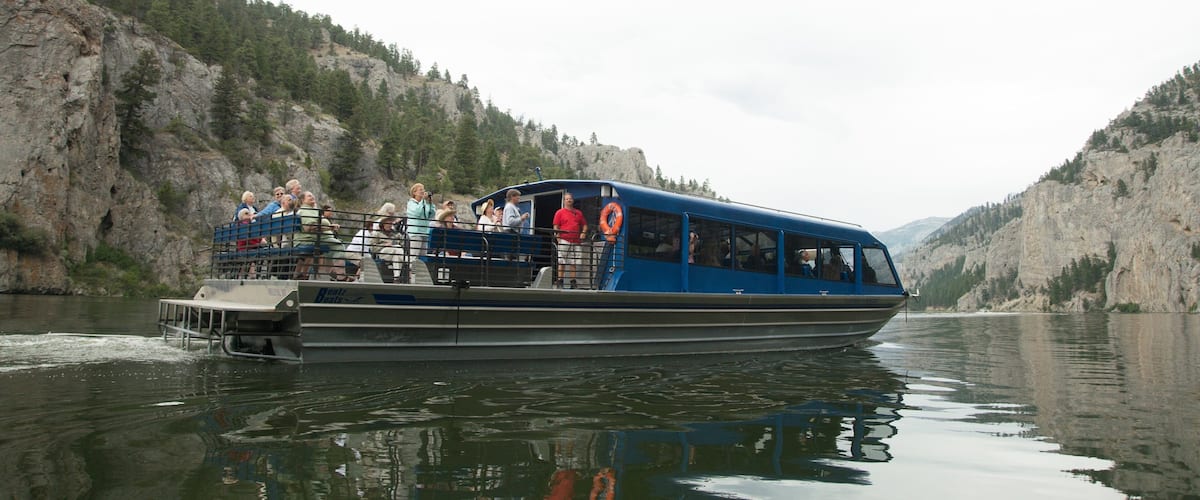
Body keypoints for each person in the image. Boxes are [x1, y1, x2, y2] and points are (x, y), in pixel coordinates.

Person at [294, 191, 350, 280]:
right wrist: (329, 228)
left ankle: (334, 272)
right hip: (311, 239)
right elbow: (309, 227)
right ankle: (340, 276)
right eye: (309, 196)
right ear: (302, 200)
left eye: (312, 195)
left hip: (316, 238)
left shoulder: (310, 210)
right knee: (338, 246)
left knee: (334, 246)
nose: (312, 197)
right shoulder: (306, 211)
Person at [552, 192, 588, 288]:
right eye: (567, 199)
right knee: (562, 261)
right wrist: (558, 238)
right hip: (564, 239)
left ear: (573, 200)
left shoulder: (578, 213)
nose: (569, 200)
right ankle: (560, 281)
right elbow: (556, 226)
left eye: (570, 198)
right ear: (564, 201)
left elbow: (584, 224)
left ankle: (573, 282)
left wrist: (583, 233)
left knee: (574, 261)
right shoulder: (559, 212)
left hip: (576, 240)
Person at [406, 182, 436, 262]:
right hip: (415, 233)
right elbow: (417, 212)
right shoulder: (411, 204)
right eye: (420, 190)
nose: (423, 191)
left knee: (423, 257)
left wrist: (430, 203)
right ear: (414, 192)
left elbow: (431, 214)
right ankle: (412, 273)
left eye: (423, 189)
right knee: (414, 256)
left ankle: (421, 273)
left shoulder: (424, 203)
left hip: (424, 232)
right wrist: (423, 200)